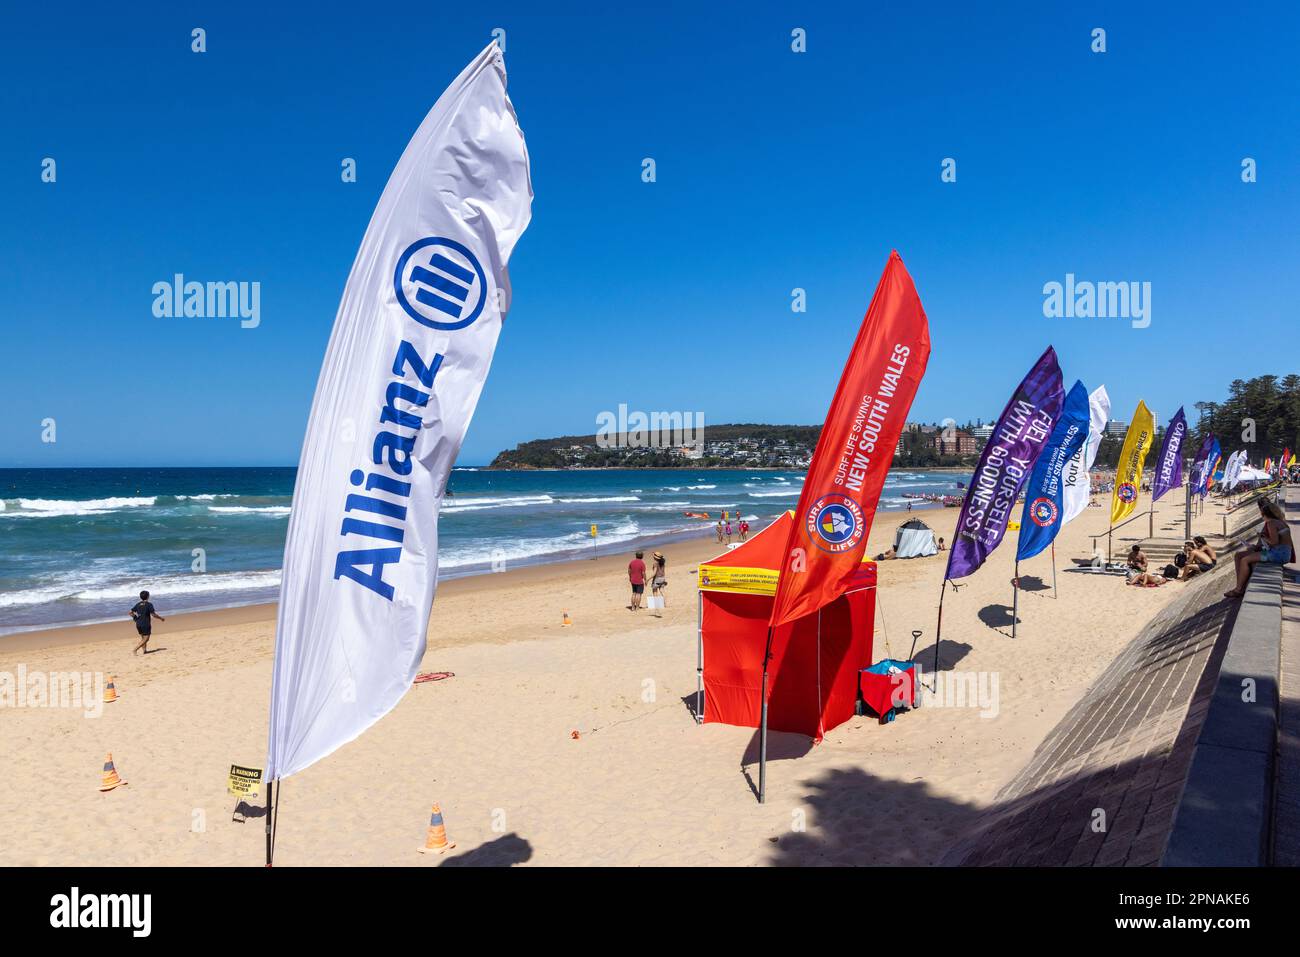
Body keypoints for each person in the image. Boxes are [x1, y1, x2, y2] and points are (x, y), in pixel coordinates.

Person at [1225, 499, 1294, 599]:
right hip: (1283, 553)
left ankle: (1239, 589)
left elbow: (1274, 542)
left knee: (1245, 560)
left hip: (1278, 554)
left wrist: (1263, 537)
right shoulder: (1280, 522)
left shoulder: (1271, 523)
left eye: (1262, 514)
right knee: (1240, 556)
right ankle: (1240, 585)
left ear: (1265, 514)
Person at [129, 590, 164, 655]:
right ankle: (135, 649)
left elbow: (130, 612)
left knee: (143, 638)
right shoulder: (149, 604)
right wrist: (161, 618)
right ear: (148, 596)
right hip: (145, 623)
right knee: (146, 639)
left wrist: (135, 618)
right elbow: (153, 615)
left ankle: (145, 650)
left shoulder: (138, 604)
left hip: (138, 623)